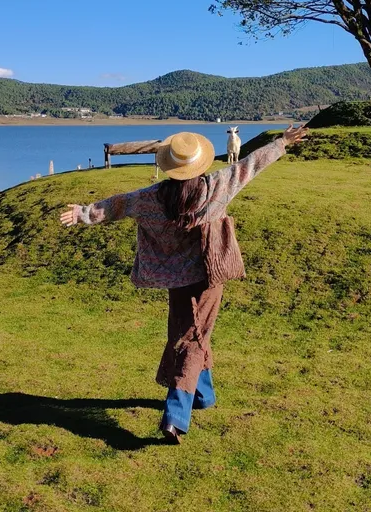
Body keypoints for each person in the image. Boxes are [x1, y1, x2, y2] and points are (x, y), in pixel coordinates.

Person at [60, 124, 308, 443]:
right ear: (199, 164)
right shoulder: (215, 187)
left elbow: (118, 205)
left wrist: (83, 213)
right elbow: (250, 165)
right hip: (209, 276)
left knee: (191, 334)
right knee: (192, 338)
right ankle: (175, 417)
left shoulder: (152, 198)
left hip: (175, 278)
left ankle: (203, 395)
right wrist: (282, 143)